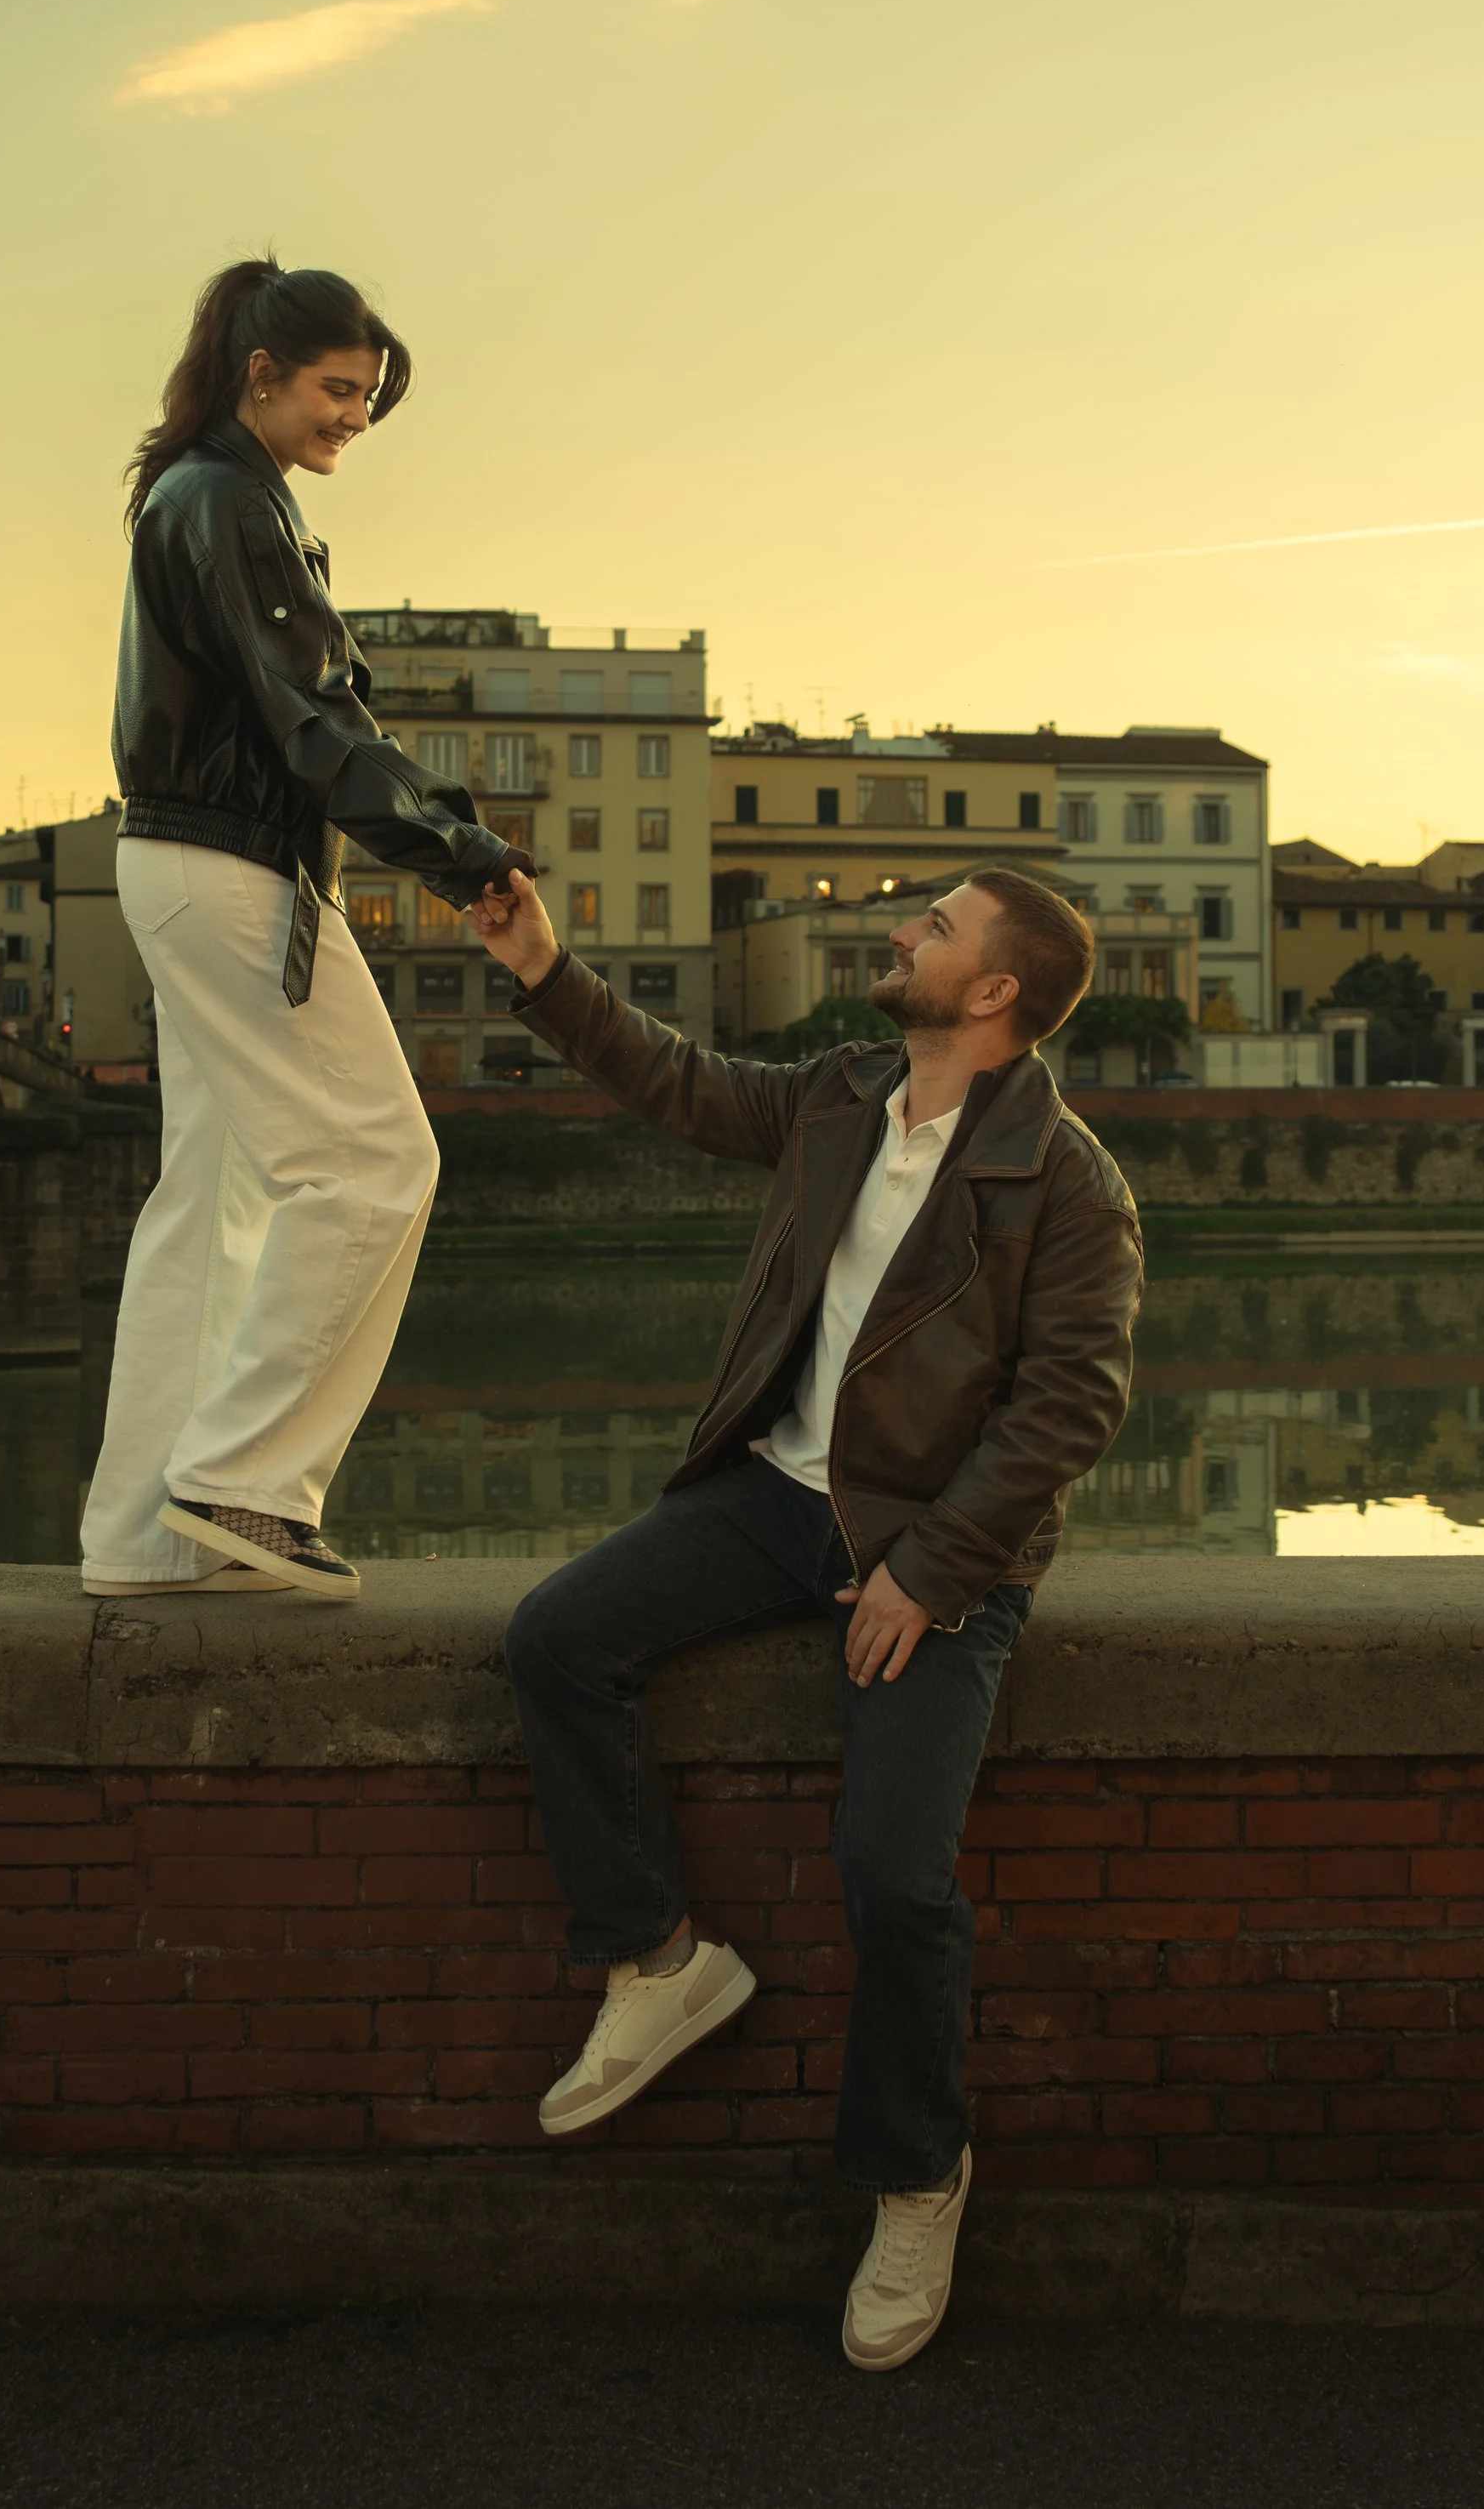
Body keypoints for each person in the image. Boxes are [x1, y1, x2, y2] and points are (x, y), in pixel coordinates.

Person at [471, 863, 1143, 2371]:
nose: (902, 934)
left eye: (938, 930)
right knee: (556, 1638)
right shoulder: (844, 1091)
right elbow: (685, 1086)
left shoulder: (1069, 1182)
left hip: (938, 1546)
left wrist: (932, 1572)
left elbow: (1069, 1406)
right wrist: (543, 969)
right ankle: (660, 1959)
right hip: (776, 1497)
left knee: (895, 1876)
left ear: (993, 994)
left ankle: (918, 2177)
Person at [80, 259, 530, 1602]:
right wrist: (464, 855)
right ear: (260, 376)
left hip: (181, 864)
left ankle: (142, 1539)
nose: (355, 419)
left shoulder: (197, 493)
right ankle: (245, 1481)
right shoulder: (232, 504)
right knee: (377, 1166)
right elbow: (317, 720)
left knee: (209, 1206)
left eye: (370, 399)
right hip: (232, 874)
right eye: (339, 391)